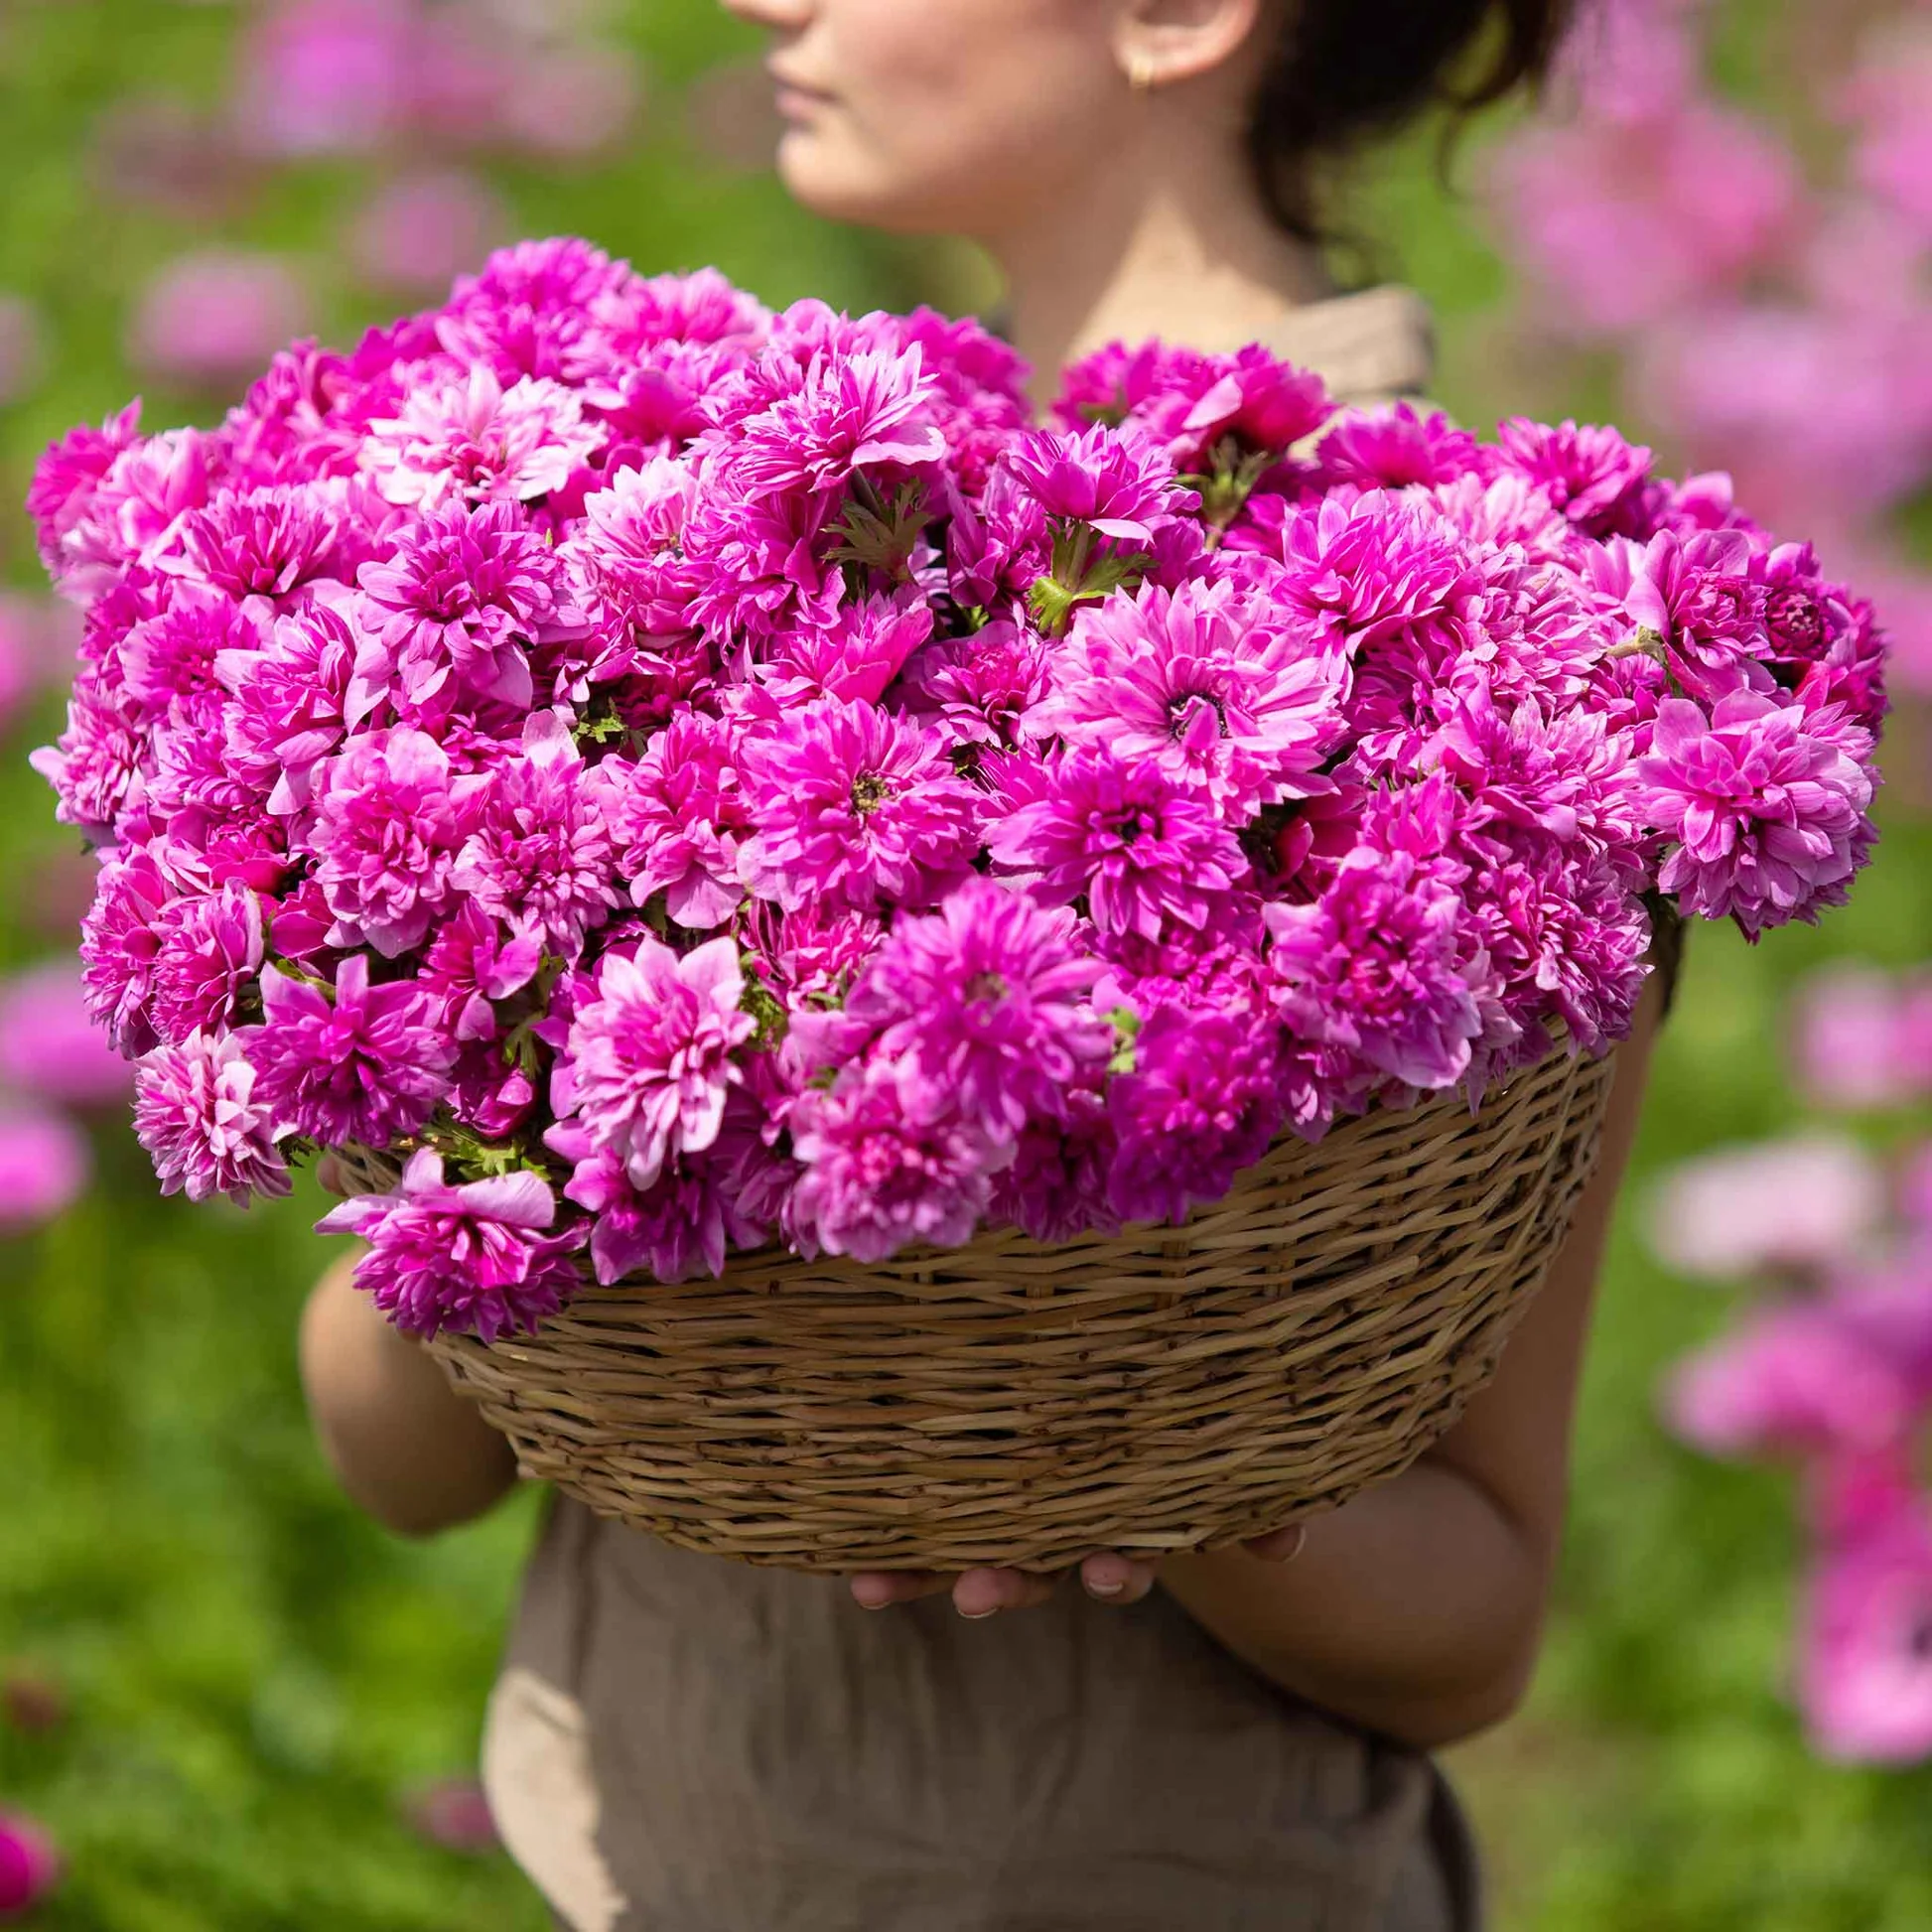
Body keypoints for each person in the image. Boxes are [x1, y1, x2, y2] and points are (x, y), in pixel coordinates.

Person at [302, 2, 1666, 1925]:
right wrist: (480, 1170)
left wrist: (1158, 1455)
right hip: (633, 1863)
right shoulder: (721, 527)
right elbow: (398, 1458)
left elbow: (1471, 1626)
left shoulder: (1489, 657)